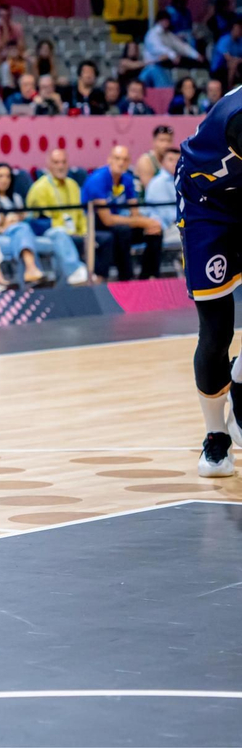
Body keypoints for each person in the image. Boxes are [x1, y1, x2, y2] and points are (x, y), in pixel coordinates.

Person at [173, 86, 242, 476]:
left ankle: (240, 377)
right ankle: (216, 437)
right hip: (206, 202)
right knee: (216, 332)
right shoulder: (238, 116)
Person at [82, 145, 163, 281]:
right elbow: (107, 220)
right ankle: (126, 278)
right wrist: (141, 221)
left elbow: (135, 212)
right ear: (109, 159)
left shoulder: (127, 179)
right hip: (94, 223)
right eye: (117, 158)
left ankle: (148, 277)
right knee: (123, 231)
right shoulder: (97, 180)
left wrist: (147, 224)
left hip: (117, 222)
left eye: (125, 159)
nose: (121, 163)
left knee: (155, 230)